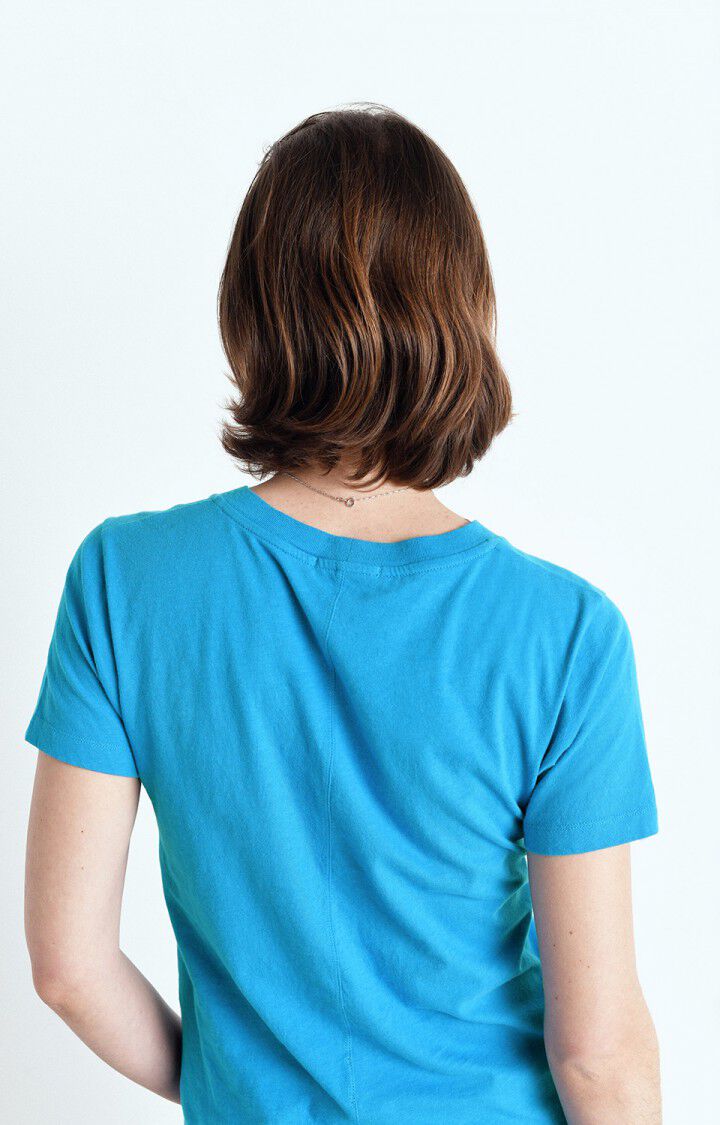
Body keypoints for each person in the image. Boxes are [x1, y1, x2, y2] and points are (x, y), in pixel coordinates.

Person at [23, 104, 661, 1124]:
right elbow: (595, 1051)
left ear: (251, 309)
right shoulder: (567, 634)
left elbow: (67, 967)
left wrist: (235, 1085)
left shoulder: (123, 579)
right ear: (462, 314)